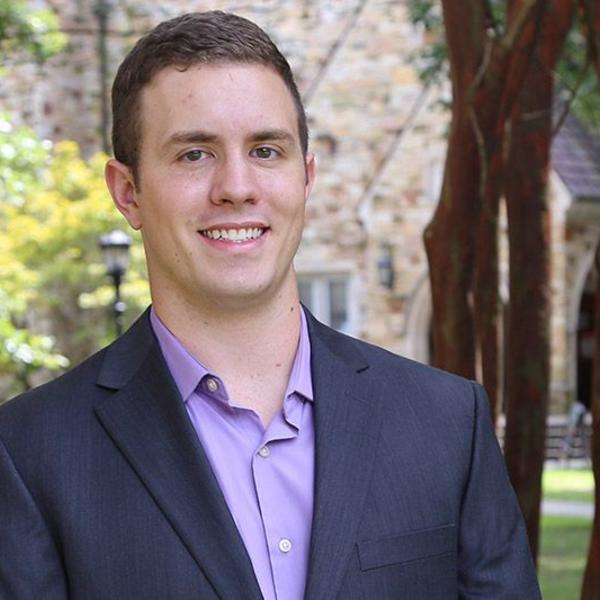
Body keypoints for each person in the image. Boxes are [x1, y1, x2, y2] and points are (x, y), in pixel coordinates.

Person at [0, 11, 540, 599]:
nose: (236, 186)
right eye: (194, 154)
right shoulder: (32, 455)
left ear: (305, 178)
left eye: (265, 150)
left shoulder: (445, 424)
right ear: (128, 193)